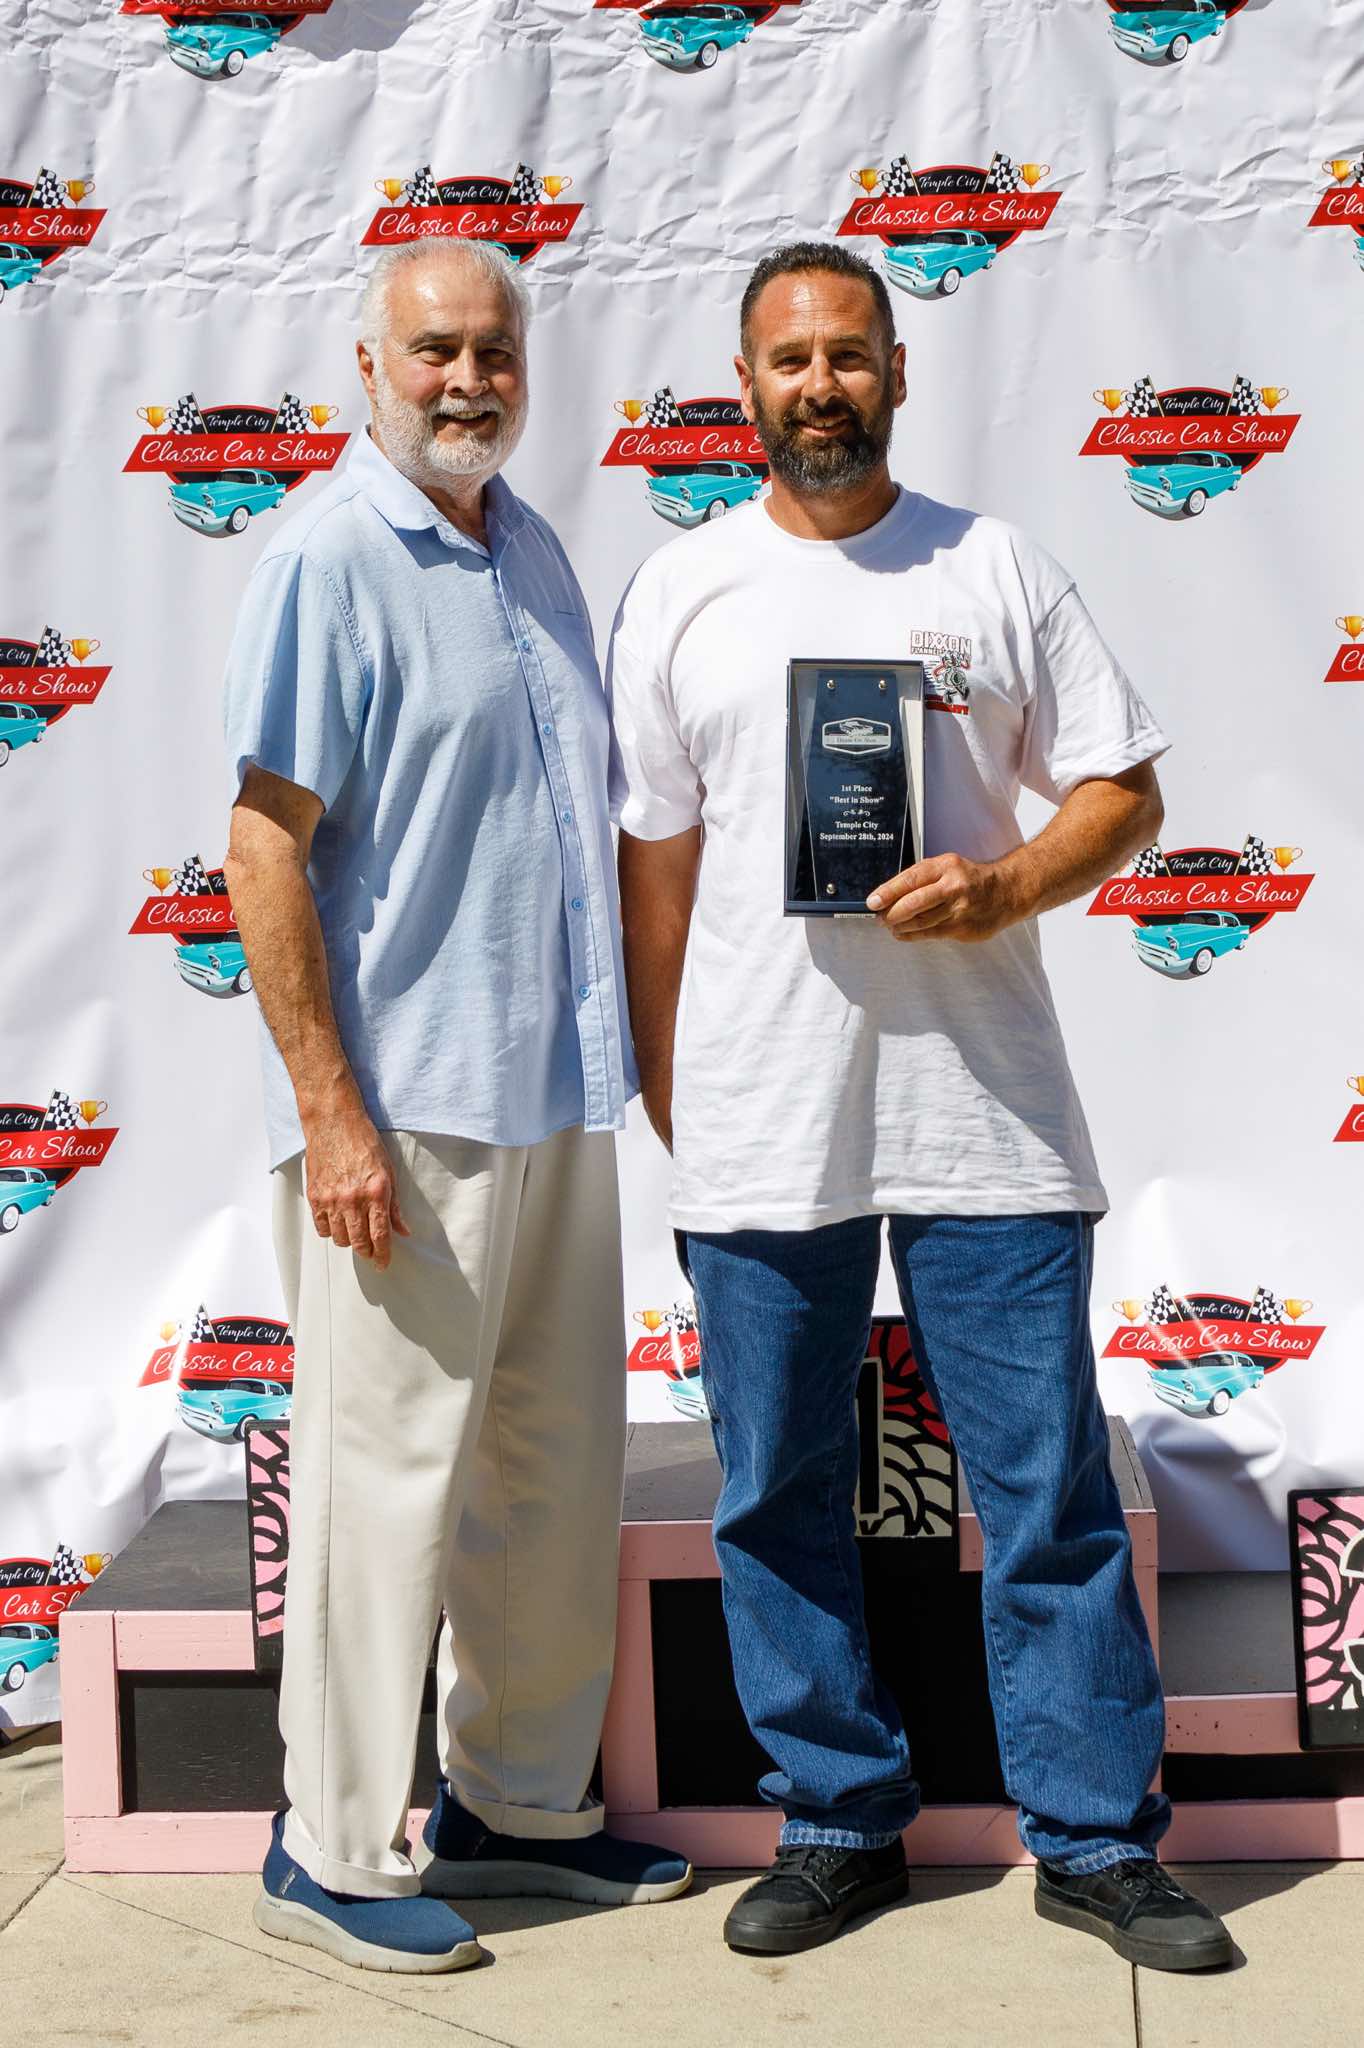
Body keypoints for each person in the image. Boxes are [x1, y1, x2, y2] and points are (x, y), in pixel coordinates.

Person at [609, 240, 1233, 1971]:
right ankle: (835, 1819)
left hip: (987, 1113)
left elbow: (1123, 791)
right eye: (789, 358)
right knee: (774, 1493)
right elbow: (653, 869)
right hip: (761, 1114)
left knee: (1046, 1498)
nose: (820, 384)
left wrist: (1007, 885)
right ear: (745, 387)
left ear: (898, 373)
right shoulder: (683, 589)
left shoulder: (993, 565)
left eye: (849, 355)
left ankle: (1096, 1842)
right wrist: (669, 1081)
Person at [220, 238, 690, 1976]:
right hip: (405, 1114)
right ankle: (332, 1848)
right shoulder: (328, 555)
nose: (469, 378)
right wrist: (331, 1114)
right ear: (369, 366)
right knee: (385, 1486)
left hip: (555, 1095)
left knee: (550, 1476)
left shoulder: (533, 545)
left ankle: (519, 1809)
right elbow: (264, 847)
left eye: (495, 348)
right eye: (434, 350)